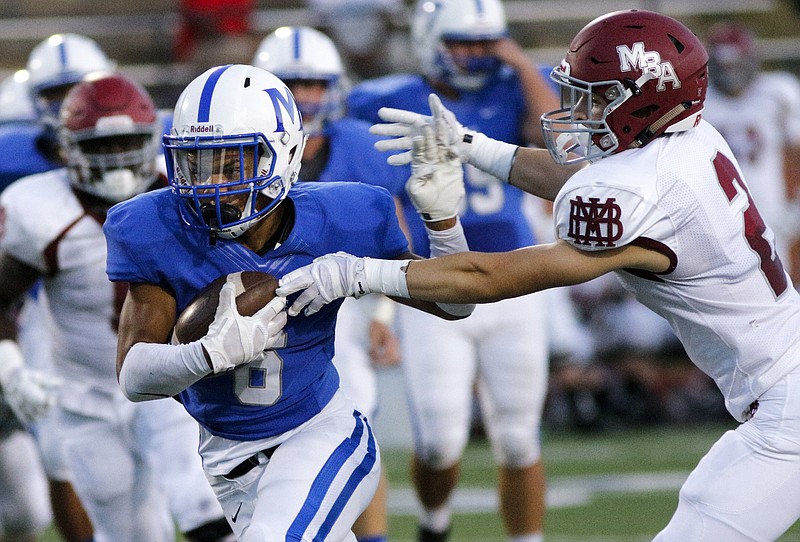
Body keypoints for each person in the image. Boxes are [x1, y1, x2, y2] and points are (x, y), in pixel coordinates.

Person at [278, 9, 800, 541]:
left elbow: (490, 278)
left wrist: (359, 274)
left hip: (786, 405)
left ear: (644, 100)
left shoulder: (641, 191)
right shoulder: (688, 139)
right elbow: (588, 176)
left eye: (596, 97)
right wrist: (471, 145)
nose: (578, 110)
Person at [103, 63, 473, 541]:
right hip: (227, 457)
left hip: (320, 432)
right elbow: (133, 375)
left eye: (232, 162)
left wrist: (442, 222)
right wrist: (207, 354)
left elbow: (453, 305)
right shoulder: (155, 226)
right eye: (197, 162)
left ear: (285, 153)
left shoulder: (345, 214)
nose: (212, 183)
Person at [346, 0, 558, 540]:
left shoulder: (516, 87)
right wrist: (383, 311)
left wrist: (515, 56)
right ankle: (434, 523)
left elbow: (557, 140)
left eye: (487, 42)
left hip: (516, 278)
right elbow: (381, 200)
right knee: (439, 440)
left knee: (518, 437)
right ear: (428, 40)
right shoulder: (386, 100)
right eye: (464, 41)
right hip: (437, 281)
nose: (478, 55)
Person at [0, 73, 235, 542]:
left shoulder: (185, 196)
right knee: (129, 531)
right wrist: (10, 369)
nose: (117, 158)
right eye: (102, 145)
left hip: (173, 378)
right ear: (67, 148)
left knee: (202, 505)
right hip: (85, 394)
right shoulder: (38, 209)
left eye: (128, 143)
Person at [252, 25, 406, 542]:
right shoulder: (239, 153)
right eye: (291, 82)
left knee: (354, 421)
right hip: (253, 306)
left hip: (342, 299)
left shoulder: (360, 147)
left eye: (314, 83)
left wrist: (384, 316)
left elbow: (393, 241)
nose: (304, 96)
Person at [702, 21, 800, 284]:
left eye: (735, 65)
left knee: (782, 285)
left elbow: (796, 151)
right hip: (719, 214)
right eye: (723, 66)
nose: (730, 73)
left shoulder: (778, 92)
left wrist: (795, 202)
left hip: (772, 210)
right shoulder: (701, 101)